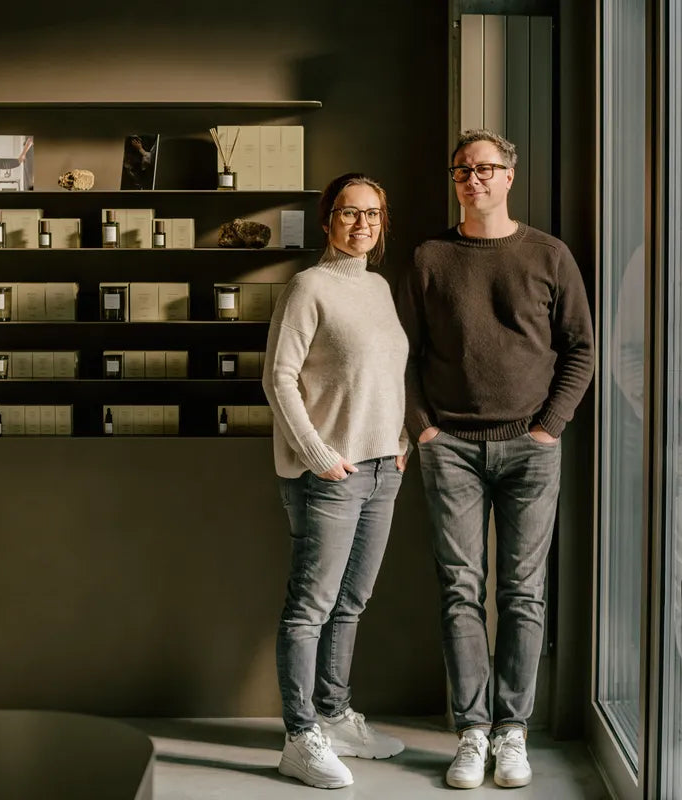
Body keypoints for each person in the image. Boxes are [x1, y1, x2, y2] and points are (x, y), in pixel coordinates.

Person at [398, 130, 594, 790]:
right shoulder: (430, 256)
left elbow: (581, 350)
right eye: (462, 169)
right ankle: (472, 732)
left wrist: (548, 428)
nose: (472, 179)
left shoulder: (548, 254)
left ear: (510, 176)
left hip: (529, 449)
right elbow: (405, 353)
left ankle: (512, 731)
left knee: (522, 592)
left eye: (485, 168)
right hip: (449, 447)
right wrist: (422, 428)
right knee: (460, 590)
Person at [262, 173, 409, 789]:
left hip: (382, 469)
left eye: (372, 214)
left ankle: (335, 711)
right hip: (331, 473)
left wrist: (400, 443)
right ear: (327, 222)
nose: (362, 224)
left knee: (352, 602)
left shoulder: (377, 286)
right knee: (311, 609)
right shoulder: (308, 286)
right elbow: (278, 377)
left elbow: (384, 375)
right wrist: (319, 452)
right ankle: (301, 735)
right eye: (349, 214)